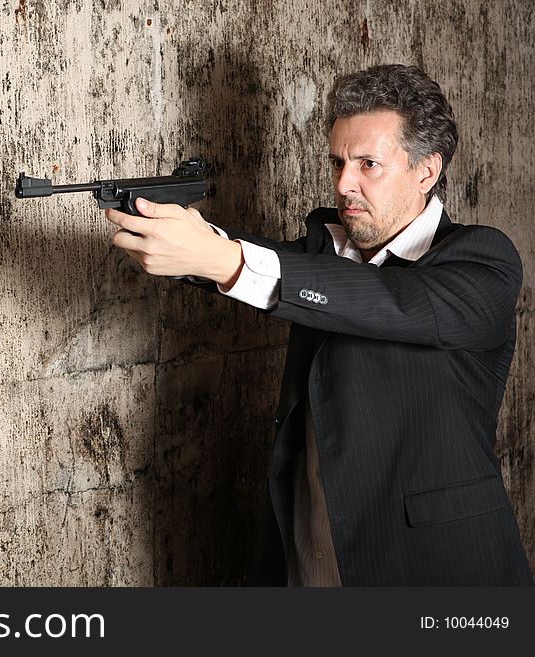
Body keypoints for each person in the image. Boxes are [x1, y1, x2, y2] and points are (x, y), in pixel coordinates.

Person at [105, 64, 533, 586]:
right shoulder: (325, 251)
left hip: (433, 570)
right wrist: (182, 234)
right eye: (338, 162)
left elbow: (387, 300)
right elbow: (264, 260)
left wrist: (221, 260)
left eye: (368, 164)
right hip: (310, 561)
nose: (344, 183)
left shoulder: (481, 261)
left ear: (426, 171)